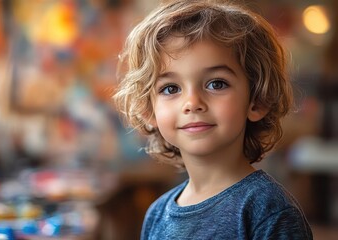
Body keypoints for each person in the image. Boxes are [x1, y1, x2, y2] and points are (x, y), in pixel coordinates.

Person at [113, 0, 313, 239]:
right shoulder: (156, 214)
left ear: (257, 100)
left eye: (216, 83)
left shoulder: (268, 211)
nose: (192, 102)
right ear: (149, 110)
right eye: (170, 88)